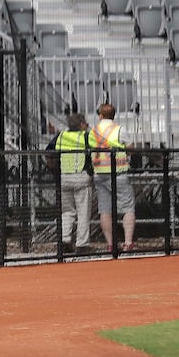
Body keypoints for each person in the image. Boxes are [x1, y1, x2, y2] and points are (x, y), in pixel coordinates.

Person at [89, 103, 136, 255]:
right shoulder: (119, 129)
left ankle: (110, 244)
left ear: (100, 115)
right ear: (113, 115)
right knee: (127, 207)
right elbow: (130, 148)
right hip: (119, 172)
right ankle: (128, 243)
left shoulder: (93, 131)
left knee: (105, 210)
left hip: (100, 173)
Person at [46, 111, 93, 252]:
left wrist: (55, 170)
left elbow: (49, 152)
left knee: (67, 212)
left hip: (64, 177)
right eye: (85, 123)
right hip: (81, 176)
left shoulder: (61, 136)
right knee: (83, 212)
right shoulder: (85, 136)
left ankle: (64, 239)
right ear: (81, 124)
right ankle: (82, 244)